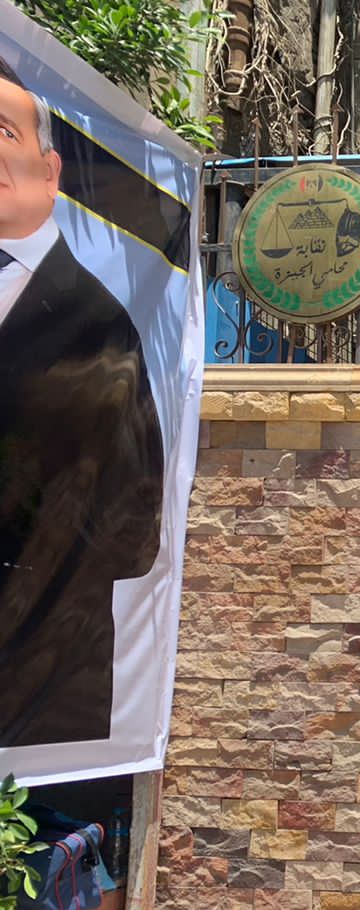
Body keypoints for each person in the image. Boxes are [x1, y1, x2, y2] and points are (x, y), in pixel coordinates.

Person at [0, 55, 164, 747]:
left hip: (40, 689)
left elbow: (137, 527)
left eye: (3, 131)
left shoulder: (104, 324)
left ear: (50, 170)